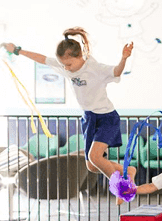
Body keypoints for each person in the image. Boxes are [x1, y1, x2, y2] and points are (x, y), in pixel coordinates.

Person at [2, 28, 135, 204]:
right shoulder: (66, 67)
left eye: (69, 64)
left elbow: (116, 72)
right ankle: (128, 171)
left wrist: (124, 58)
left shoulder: (94, 68)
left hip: (106, 117)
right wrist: (17, 50)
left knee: (95, 157)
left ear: (80, 57)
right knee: (92, 165)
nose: (66, 68)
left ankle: (121, 188)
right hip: (89, 119)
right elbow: (41, 58)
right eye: (63, 65)